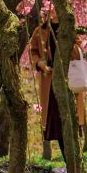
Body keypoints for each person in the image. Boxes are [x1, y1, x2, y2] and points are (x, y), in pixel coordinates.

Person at [30, 16, 61, 158]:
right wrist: (40, 64)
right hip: (48, 79)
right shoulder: (40, 30)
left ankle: (72, 164)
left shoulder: (69, 28)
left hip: (65, 80)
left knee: (66, 121)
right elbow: (33, 51)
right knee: (52, 120)